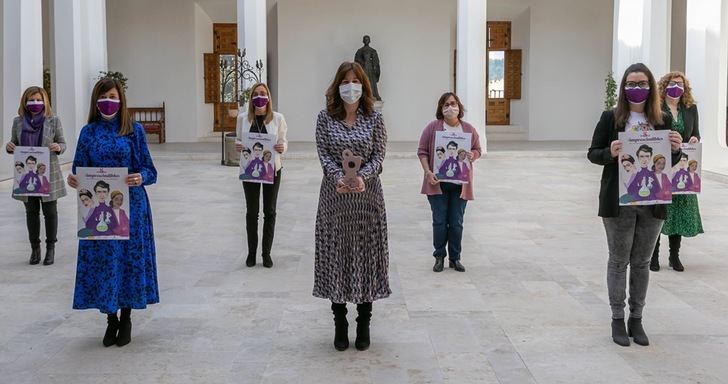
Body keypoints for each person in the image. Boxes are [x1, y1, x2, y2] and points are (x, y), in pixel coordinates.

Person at [588, 63, 682, 347]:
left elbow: (669, 161)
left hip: (653, 201)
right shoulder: (611, 118)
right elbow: (593, 153)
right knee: (619, 260)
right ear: (623, 88)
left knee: (641, 262)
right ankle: (617, 318)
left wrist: (676, 150)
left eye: (642, 83)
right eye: (631, 83)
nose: (636, 88)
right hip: (620, 201)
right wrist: (610, 152)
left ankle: (636, 319)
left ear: (651, 87)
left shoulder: (663, 119)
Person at [66, 77, 158, 347]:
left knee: (128, 262)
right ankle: (111, 319)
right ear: (96, 101)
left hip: (131, 208)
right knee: (104, 264)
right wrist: (74, 180)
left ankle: (126, 317)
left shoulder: (133, 130)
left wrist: (140, 177)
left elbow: (150, 171)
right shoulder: (88, 132)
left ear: (121, 100)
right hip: (98, 211)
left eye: (113, 96)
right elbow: (79, 169)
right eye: (104, 96)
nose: (109, 101)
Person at [313, 61, 390, 351]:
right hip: (335, 199)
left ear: (364, 86)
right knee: (337, 255)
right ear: (337, 86)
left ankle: (365, 321)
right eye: (345, 81)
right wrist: (338, 178)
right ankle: (340, 321)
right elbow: (323, 153)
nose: (350, 87)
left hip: (367, 200)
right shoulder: (325, 118)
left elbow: (379, 155)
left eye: (355, 81)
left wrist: (361, 177)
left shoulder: (374, 118)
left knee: (366, 255)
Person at [418, 92, 483, 273]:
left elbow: (477, 149)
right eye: (446, 104)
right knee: (439, 222)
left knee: (456, 223)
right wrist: (427, 171)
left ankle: (455, 258)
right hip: (437, 183)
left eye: (453, 104)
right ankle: (439, 256)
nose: (450, 107)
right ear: (441, 108)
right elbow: (422, 151)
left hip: (460, 185)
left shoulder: (468, 129)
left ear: (459, 107)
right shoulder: (432, 128)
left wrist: (473, 155)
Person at [5, 86, 67, 265]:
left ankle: (50, 248)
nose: (35, 103)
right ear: (25, 102)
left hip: (48, 174)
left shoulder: (53, 120)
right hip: (26, 176)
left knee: (50, 212)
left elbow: (62, 143)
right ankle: (35, 249)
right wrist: (10, 147)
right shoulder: (18, 122)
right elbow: (14, 143)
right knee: (31, 212)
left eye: (38, 100)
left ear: (45, 101)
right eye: (31, 100)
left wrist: (59, 147)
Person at [651, 71, 703, 272]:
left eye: (680, 84)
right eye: (673, 83)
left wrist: (694, 139)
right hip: (662, 165)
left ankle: (674, 256)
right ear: (665, 86)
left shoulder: (690, 108)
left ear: (685, 88)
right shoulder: (656, 107)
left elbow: (696, 133)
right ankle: (653, 255)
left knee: (679, 212)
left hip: (682, 167)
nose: (676, 87)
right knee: (658, 210)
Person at [235, 82, 288, 268]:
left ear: (268, 97)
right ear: (251, 98)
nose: (260, 96)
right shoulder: (243, 118)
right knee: (252, 212)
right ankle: (251, 253)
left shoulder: (278, 118)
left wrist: (282, 147)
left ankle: (266, 253)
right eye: (256, 93)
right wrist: (238, 145)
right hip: (249, 170)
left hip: (272, 169)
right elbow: (239, 140)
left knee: (270, 211)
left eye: (263, 93)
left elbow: (283, 141)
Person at [354, 35, 381, 101]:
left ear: (369, 41)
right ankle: (363, 96)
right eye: (365, 39)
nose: (366, 40)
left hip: (371, 68)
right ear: (363, 41)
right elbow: (356, 60)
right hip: (363, 68)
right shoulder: (360, 50)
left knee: (371, 82)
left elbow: (376, 62)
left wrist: (375, 68)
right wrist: (362, 63)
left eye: (367, 39)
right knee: (363, 81)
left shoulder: (373, 50)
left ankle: (373, 95)